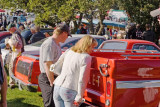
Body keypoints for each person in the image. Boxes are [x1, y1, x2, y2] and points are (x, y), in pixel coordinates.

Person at [53, 35, 98, 107]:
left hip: (58, 85)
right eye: (92, 47)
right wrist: (79, 97)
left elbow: (59, 63)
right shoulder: (86, 57)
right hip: (70, 88)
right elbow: (82, 79)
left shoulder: (69, 51)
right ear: (87, 46)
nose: (93, 50)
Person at [38, 23, 71, 107]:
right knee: (50, 104)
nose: (67, 38)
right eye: (67, 35)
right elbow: (48, 65)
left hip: (53, 77)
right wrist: (52, 83)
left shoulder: (56, 44)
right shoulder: (49, 44)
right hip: (47, 78)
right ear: (64, 33)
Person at [7, 24, 24, 88]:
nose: (9, 30)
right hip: (17, 53)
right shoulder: (17, 34)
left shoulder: (15, 35)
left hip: (16, 54)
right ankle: (14, 82)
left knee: (12, 68)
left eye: (9, 28)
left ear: (13, 28)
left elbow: (19, 45)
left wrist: (10, 42)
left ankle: (12, 83)